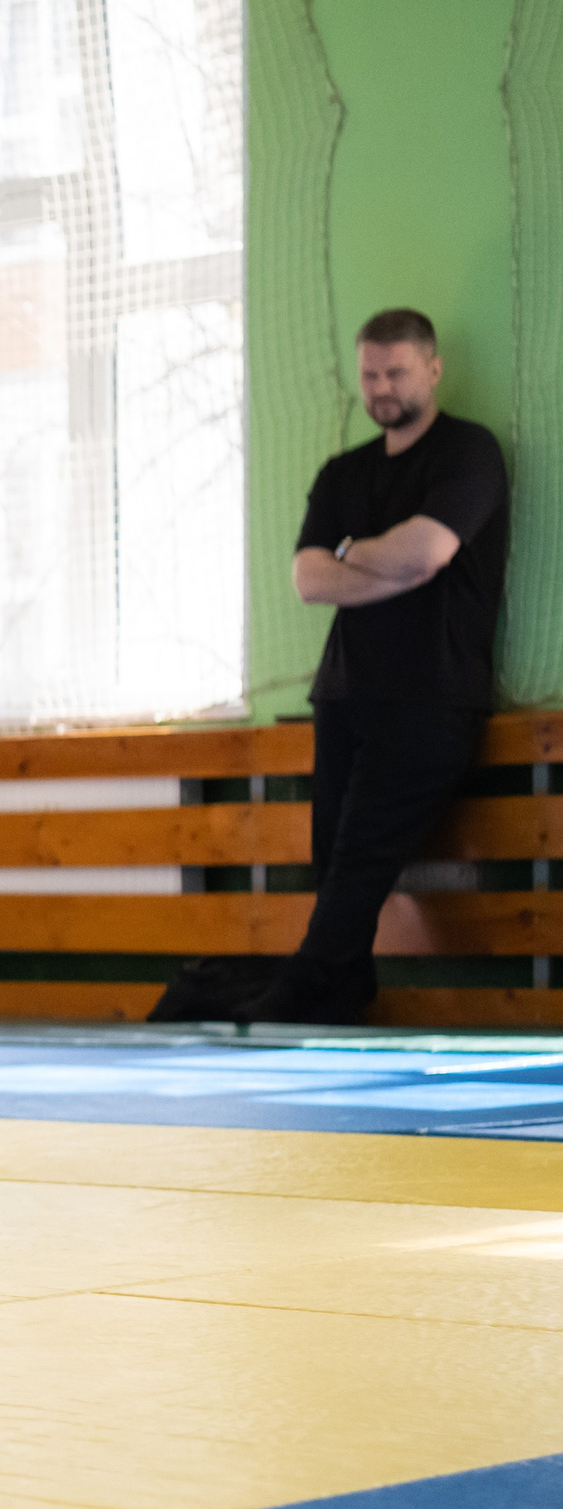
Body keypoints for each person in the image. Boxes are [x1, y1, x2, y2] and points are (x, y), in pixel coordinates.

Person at [254, 308, 512, 1026]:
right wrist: (379, 565)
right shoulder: (345, 473)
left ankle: (307, 989)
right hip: (344, 692)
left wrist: (353, 553)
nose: (381, 386)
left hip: (432, 695)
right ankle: (341, 991)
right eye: (370, 373)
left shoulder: (469, 453)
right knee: (330, 856)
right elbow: (307, 578)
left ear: (432, 368)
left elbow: (426, 553)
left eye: (395, 371)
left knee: (362, 856)